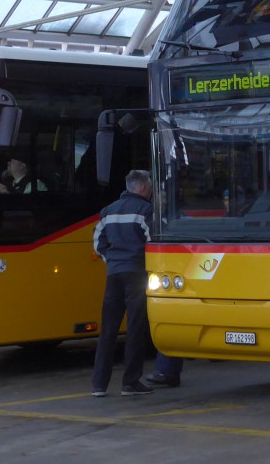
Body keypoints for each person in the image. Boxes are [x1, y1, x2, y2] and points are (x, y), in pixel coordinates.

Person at [91, 169, 155, 398]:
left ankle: (99, 385)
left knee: (108, 329)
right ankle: (130, 382)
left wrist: (113, 261)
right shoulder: (146, 210)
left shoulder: (108, 211)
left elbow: (98, 242)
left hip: (114, 274)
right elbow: (153, 242)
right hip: (136, 274)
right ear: (144, 188)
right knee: (136, 328)